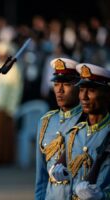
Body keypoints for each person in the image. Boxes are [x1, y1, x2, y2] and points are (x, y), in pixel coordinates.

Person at [51, 63, 110, 200]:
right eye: (81, 89)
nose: (84, 97)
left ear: (107, 95)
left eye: (91, 90)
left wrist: (103, 196)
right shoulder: (74, 134)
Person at [35, 58, 84, 199]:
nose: (60, 90)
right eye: (56, 84)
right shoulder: (46, 121)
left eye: (66, 84)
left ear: (79, 87)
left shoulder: (88, 120)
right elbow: (41, 176)